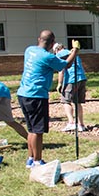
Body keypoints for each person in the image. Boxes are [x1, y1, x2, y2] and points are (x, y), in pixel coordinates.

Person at [17, 30, 80, 167]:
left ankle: (30, 158)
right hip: (36, 95)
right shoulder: (47, 57)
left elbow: (55, 61)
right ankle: (37, 161)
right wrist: (75, 51)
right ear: (52, 43)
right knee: (37, 131)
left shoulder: (29, 50)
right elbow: (65, 65)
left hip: (23, 94)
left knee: (31, 129)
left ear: (39, 39)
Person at [53, 43, 89, 132]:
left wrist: (59, 84)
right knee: (78, 102)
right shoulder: (73, 53)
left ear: (56, 50)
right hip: (82, 78)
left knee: (65, 101)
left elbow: (61, 70)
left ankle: (71, 123)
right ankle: (81, 124)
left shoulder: (59, 55)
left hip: (71, 80)